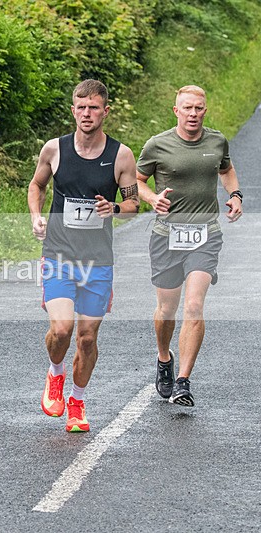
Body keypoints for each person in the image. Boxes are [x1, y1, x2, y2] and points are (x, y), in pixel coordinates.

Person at [27, 79, 138, 432]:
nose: (86, 114)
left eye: (93, 107)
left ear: (106, 110)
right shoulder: (54, 149)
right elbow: (37, 186)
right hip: (59, 254)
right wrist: (36, 215)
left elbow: (134, 203)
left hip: (98, 261)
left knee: (87, 339)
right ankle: (55, 374)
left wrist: (115, 207)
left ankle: (77, 401)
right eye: (80, 107)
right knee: (61, 330)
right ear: (73, 109)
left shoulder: (121, 155)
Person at [137, 85, 242, 407]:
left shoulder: (217, 141)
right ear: (176, 111)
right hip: (166, 236)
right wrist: (152, 198)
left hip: (205, 235)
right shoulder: (158, 145)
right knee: (167, 310)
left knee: (194, 306)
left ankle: (183, 381)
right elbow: (136, 182)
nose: (193, 114)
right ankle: (164, 358)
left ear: (205, 111)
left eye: (198, 108)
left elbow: (226, 170)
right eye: (187, 108)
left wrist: (235, 195)